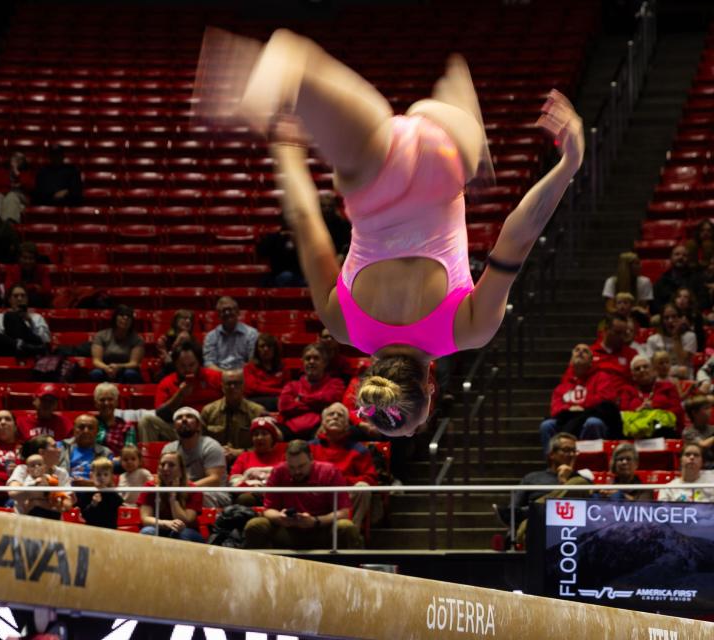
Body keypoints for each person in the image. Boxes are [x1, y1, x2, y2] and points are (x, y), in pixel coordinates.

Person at [196, 29, 584, 439]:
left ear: (429, 389)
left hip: (445, 158)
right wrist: (288, 151)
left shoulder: (469, 330)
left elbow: (517, 239)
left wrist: (567, 168)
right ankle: (285, 75)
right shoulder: (345, 326)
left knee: (450, 99)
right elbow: (307, 223)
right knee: (298, 61)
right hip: (371, 174)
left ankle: (451, 96)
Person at [242, 439, 361, 550]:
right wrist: (280, 517)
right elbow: (268, 510)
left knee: (346, 527)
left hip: (321, 529)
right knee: (255, 525)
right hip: (287, 530)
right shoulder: (278, 471)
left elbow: (343, 512)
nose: (297, 471)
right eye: (292, 467)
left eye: (301, 466)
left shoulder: (330, 472)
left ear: (311, 458)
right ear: (286, 461)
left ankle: (350, 569)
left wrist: (316, 521)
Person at [504, 433, 590, 544]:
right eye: (566, 450)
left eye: (574, 451)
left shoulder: (582, 480)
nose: (571, 454)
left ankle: (532, 511)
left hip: (568, 528)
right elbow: (513, 509)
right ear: (551, 454)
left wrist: (564, 481)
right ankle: (534, 513)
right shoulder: (532, 478)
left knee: (579, 482)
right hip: (535, 529)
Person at [538, 343, 622, 453]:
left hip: (592, 419)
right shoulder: (563, 385)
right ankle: (553, 465)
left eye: (585, 351)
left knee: (593, 423)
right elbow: (555, 408)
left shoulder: (602, 377)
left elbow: (605, 399)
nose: (580, 352)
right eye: (577, 350)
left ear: (592, 361)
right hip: (569, 421)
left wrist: (581, 407)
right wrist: (570, 408)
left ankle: (589, 462)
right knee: (546, 425)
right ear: (571, 360)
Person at [309, 403, 378, 527]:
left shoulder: (359, 450)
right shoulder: (309, 447)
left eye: (340, 415)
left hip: (344, 496)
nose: (335, 417)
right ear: (323, 422)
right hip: (314, 494)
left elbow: (371, 479)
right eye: (331, 414)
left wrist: (339, 480)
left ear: (347, 424)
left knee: (363, 487)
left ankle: (350, 531)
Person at [140, 341, 223, 441]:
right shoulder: (167, 383)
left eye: (191, 365)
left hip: (211, 428)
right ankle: (150, 456)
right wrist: (179, 395)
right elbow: (161, 414)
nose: (188, 369)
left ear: (199, 362)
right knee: (146, 421)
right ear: (175, 364)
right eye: (182, 366)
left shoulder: (214, 377)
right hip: (180, 430)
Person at [162, 407, 231, 508]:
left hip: (213, 492)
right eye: (179, 418)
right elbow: (163, 475)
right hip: (179, 491)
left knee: (195, 496)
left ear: (199, 425)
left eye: (189, 417)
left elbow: (214, 479)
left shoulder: (211, 446)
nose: (184, 419)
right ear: (174, 427)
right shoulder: (169, 449)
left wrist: (185, 489)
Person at [278, 343, 345, 440]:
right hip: (289, 428)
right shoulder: (291, 385)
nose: (311, 362)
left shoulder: (336, 384)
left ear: (325, 363)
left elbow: (330, 400)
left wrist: (301, 399)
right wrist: (317, 405)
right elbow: (284, 406)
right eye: (308, 358)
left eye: (316, 358)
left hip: (319, 427)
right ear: (303, 362)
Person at [200, 368, 266, 462]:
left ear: (243, 385)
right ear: (222, 386)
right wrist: (216, 451)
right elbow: (199, 441)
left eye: (237, 383)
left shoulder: (257, 411)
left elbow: (265, 445)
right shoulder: (208, 411)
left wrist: (241, 453)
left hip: (248, 461)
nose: (232, 387)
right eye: (228, 383)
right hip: (214, 461)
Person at [137, 450, 205, 541]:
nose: (165, 468)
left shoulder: (193, 489)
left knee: (181, 533)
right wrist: (165, 523)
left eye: (171, 465)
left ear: (181, 470)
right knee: (147, 531)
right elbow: (145, 519)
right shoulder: (150, 487)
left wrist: (173, 496)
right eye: (162, 464)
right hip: (160, 526)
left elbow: (186, 521)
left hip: (186, 530)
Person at [7, 435, 72, 518]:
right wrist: (37, 487)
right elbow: (13, 493)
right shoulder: (22, 469)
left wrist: (36, 503)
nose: (59, 450)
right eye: (54, 446)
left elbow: (66, 505)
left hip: (53, 522)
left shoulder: (61, 473)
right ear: (42, 452)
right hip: (24, 521)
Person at [618, 355, 685, 434]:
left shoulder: (668, 387)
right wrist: (638, 410)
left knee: (659, 427)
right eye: (637, 369)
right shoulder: (627, 390)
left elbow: (678, 410)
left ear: (653, 370)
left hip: (662, 428)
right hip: (636, 431)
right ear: (633, 376)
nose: (642, 370)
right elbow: (623, 413)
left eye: (645, 367)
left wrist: (654, 408)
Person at [0, 284, 51, 358]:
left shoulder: (37, 317)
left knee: (11, 316)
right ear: (9, 300)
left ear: (27, 299)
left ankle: (22, 346)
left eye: (23, 296)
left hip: (31, 354)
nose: (19, 299)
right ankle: (21, 346)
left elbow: (45, 340)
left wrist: (30, 322)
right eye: (15, 296)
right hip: (7, 353)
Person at [229, 416, 283, 505]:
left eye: (264, 434)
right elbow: (233, 481)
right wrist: (251, 486)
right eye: (256, 434)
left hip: (277, 496)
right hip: (251, 497)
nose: (259, 437)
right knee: (244, 498)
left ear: (272, 438)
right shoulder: (244, 457)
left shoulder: (282, 455)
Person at [89, 304, 145, 383]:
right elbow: (96, 361)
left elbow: (134, 363)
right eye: (121, 315)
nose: (125, 318)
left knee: (130, 374)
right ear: (115, 318)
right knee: (96, 374)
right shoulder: (101, 335)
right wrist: (107, 368)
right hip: (105, 369)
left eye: (128, 316)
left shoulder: (137, 339)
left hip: (125, 369)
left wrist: (119, 367)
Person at [203, 296, 258, 371]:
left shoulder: (251, 333)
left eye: (230, 309)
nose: (227, 313)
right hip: (219, 375)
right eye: (223, 311)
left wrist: (237, 374)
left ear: (238, 312)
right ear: (219, 316)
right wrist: (225, 375)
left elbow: (253, 361)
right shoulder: (210, 337)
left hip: (245, 375)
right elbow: (209, 363)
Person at [93, 382, 147, 457]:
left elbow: (130, 455)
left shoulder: (127, 427)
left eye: (110, 399)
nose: (106, 403)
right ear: (96, 403)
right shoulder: (89, 425)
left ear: (116, 402)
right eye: (102, 400)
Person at [58, 414, 113, 485]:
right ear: (74, 429)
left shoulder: (105, 453)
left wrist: (88, 483)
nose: (86, 431)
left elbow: (109, 483)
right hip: (65, 491)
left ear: (97, 432)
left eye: (90, 428)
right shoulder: (60, 447)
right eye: (81, 427)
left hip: (95, 492)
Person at [645, 304, 697, 378]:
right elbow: (652, 365)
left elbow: (682, 361)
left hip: (684, 378)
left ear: (680, 319)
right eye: (666, 318)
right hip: (661, 378)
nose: (670, 320)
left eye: (674, 316)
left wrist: (676, 336)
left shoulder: (690, 336)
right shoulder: (652, 340)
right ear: (662, 321)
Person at [243, 332, 288, 411]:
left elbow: (287, 388)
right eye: (262, 346)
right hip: (255, 401)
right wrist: (279, 391)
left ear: (275, 349)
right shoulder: (249, 368)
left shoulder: (283, 367)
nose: (266, 349)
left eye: (269, 346)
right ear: (257, 349)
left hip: (278, 400)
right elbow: (253, 389)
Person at [591, 314, 640, 383]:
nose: (621, 337)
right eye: (617, 332)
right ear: (606, 330)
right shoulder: (590, 353)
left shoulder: (631, 354)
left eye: (624, 333)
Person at [0, 152, 35, 224]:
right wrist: (10, 186)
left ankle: (8, 226)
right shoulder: (3, 171)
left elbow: (29, 186)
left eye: (20, 159)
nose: (17, 161)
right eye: (15, 158)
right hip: (3, 196)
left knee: (11, 196)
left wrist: (17, 173)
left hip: (20, 199)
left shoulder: (26, 173)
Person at [3, 242, 52, 308]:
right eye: (24, 258)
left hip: (37, 305)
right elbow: (8, 290)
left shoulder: (43, 270)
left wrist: (20, 288)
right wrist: (34, 287)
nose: (27, 261)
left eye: (31, 258)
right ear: (19, 258)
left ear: (35, 259)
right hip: (16, 305)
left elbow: (47, 291)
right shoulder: (13, 270)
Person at [154, 309, 197, 381]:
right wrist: (177, 343)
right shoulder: (164, 339)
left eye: (190, 319)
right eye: (184, 318)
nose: (188, 321)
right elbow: (167, 361)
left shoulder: (193, 340)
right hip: (170, 369)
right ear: (176, 321)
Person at [81, 457, 123, 529]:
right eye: (98, 474)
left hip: (110, 529)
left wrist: (109, 491)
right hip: (92, 529)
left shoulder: (113, 493)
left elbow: (119, 505)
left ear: (111, 477)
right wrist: (93, 504)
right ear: (91, 476)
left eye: (106, 474)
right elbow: (84, 515)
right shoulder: (87, 493)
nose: (102, 477)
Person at [653, 245, 695, 315]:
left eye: (684, 255)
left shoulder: (696, 278)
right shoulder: (662, 280)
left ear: (689, 259)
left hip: (690, 314)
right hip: (667, 315)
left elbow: (703, 300)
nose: (680, 257)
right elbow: (656, 303)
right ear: (671, 258)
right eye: (677, 254)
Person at [682, 396, 714, 468]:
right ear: (694, 413)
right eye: (706, 408)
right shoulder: (688, 432)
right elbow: (703, 445)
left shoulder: (712, 429)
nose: (710, 411)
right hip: (698, 468)